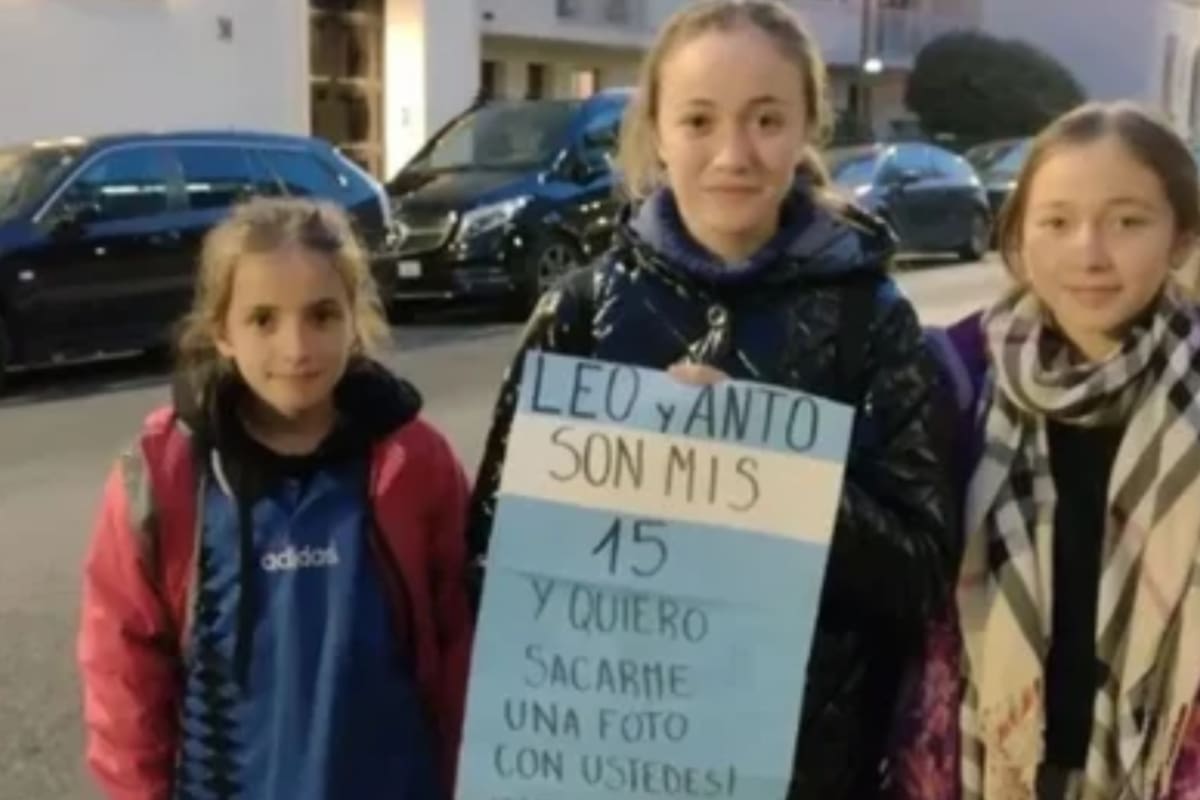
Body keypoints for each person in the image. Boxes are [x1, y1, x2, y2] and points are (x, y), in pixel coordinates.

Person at [465, 1, 954, 797]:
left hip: (810, 771)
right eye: (699, 120)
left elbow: (920, 576)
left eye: (766, 119)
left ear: (806, 128)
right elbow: (493, 560)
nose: (734, 153)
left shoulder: (874, 320)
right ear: (657, 130)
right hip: (615, 756)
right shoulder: (581, 313)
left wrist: (774, 473)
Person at [77, 198, 472, 800]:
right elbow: (122, 678)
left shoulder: (413, 462)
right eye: (263, 319)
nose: (296, 348)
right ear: (222, 332)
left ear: (354, 320)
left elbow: (464, 648)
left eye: (321, 316)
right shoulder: (164, 473)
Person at [892, 101, 1200, 799]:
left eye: (1128, 222)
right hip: (983, 764)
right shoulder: (953, 376)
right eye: (1057, 222)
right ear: (1020, 236)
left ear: (1179, 238)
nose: (1089, 252)